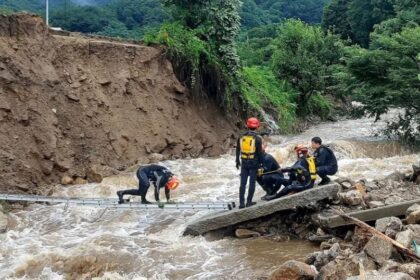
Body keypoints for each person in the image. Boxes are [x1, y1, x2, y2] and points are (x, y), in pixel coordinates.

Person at [236, 117, 264, 208]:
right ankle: (248, 202)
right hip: (253, 163)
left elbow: (238, 149)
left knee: (242, 183)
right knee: (252, 183)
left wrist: (237, 160)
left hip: (244, 162)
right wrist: (261, 164)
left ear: (248, 125)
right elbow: (260, 153)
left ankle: (241, 203)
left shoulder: (241, 136)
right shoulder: (258, 138)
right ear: (257, 126)